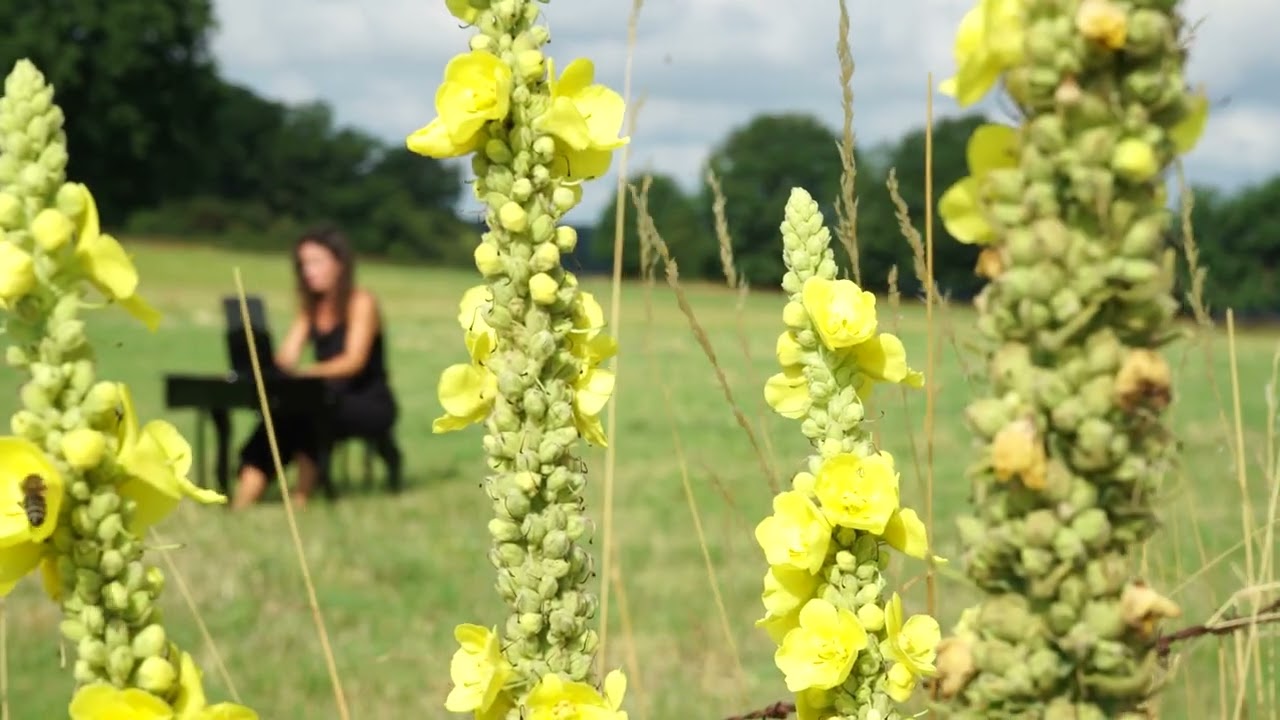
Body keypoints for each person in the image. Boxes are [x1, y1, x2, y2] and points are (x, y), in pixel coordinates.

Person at [230, 226, 400, 509]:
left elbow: (353, 361)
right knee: (277, 419)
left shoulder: (362, 302)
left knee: (305, 414)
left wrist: (305, 373)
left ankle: (300, 500)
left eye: (316, 262)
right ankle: (243, 500)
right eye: (303, 264)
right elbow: (287, 357)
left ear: (340, 263)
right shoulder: (311, 309)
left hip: (367, 401)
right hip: (323, 398)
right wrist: (264, 364)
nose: (309, 271)